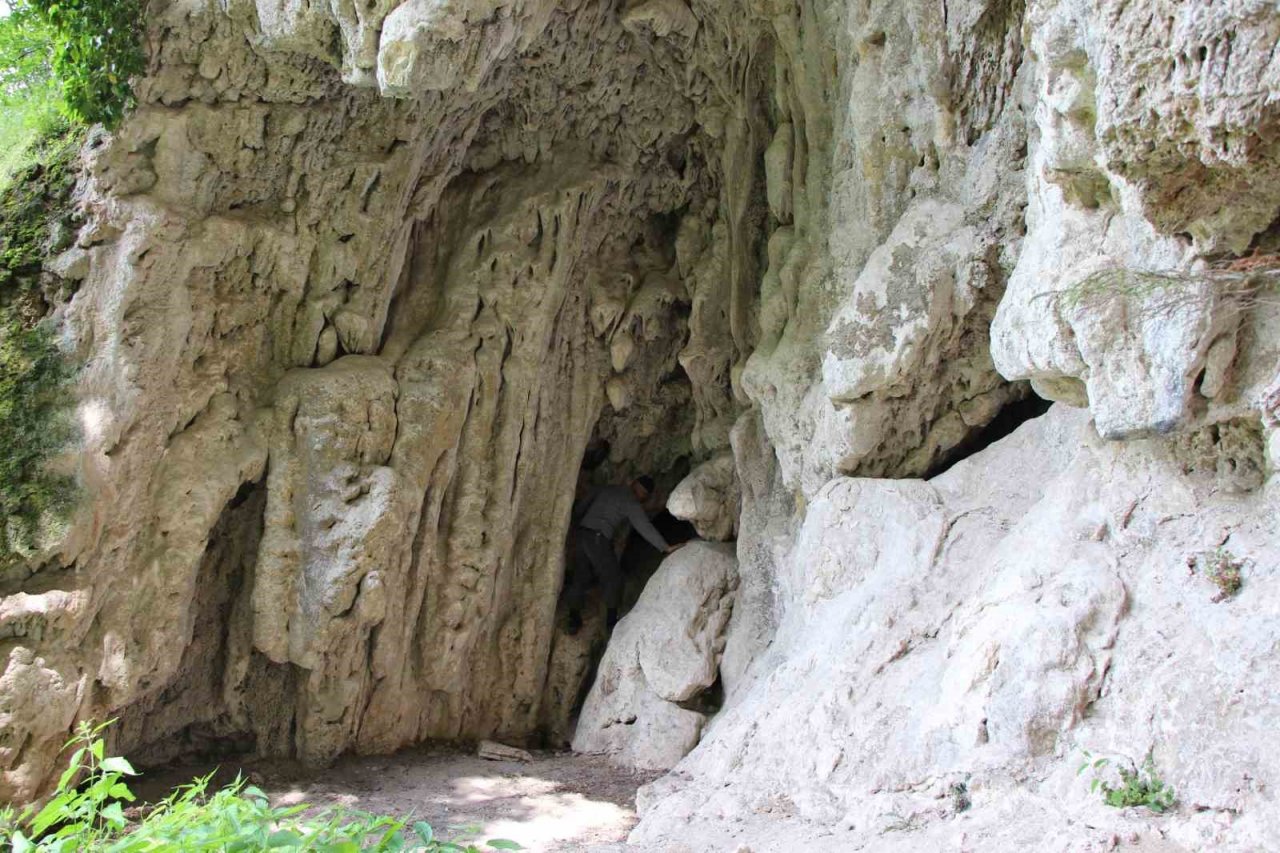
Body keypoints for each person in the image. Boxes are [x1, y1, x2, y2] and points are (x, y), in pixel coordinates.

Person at [563, 476, 678, 634]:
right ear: (643, 495)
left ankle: (573, 619)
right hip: (598, 538)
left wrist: (576, 522)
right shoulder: (631, 502)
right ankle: (611, 622)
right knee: (614, 578)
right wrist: (665, 547)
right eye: (644, 496)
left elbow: (584, 504)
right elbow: (644, 526)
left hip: (582, 534)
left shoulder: (607, 488)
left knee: (581, 574)